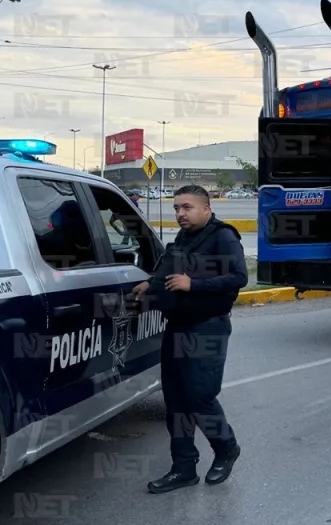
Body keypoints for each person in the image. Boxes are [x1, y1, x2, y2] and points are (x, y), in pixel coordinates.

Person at [132, 184, 249, 492]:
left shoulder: (223, 236)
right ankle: (183, 468)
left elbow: (239, 277)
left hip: (207, 326)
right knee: (176, 401)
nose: (180, 213)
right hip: (178, 326)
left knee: (200, 397)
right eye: (176, 208)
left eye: (186, 207)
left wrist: (192, 284)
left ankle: (226, 449)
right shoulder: (184, 237)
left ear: (206, 209)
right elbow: (172, 268)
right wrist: (151, 284)